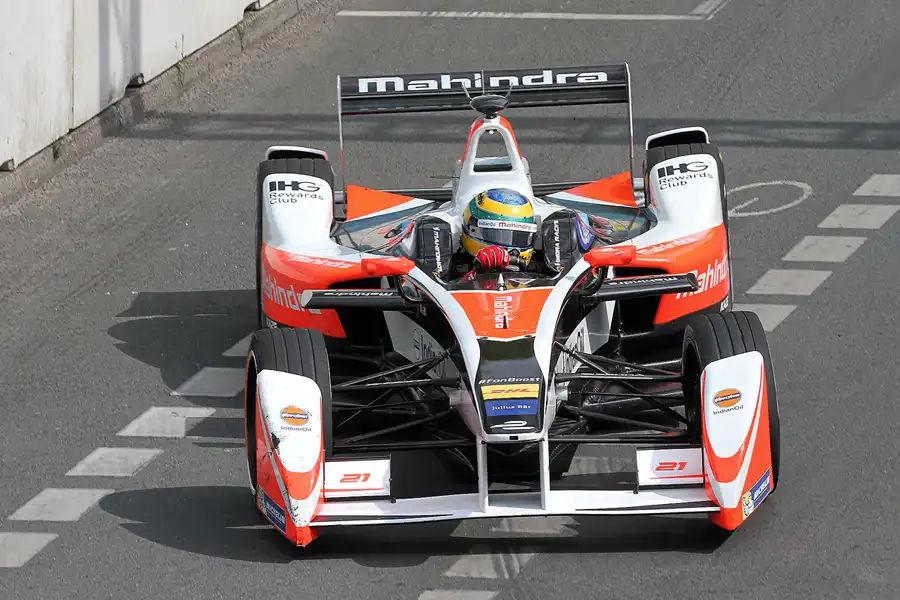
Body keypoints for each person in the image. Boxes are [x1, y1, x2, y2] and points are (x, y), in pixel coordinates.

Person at [458, 188, 539, 281]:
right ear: (472, 230)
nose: (511, 251)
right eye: (498, 236)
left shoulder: (538, 268)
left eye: (519, 237)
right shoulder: (454, 268)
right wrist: (475, 274)